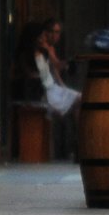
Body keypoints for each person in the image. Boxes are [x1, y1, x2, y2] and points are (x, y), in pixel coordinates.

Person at [36, 18, 81, 157]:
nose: (55, 36)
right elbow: (56, 64)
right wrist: (66, 63)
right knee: (79, 101)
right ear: (45, 33)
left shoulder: (50, 49)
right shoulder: (42, 49)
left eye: (58, 33)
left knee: (79, 101)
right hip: (45, 90)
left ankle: (78, 140)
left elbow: (55, 72)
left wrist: (64, 88)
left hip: (53, 87)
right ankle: (78, 142)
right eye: (53, 32)